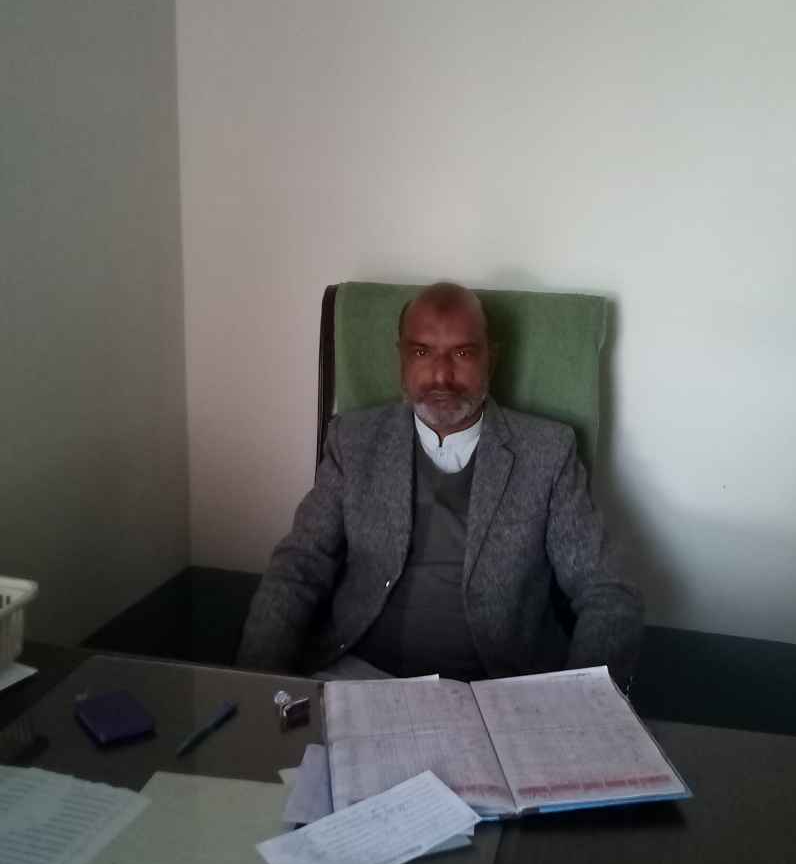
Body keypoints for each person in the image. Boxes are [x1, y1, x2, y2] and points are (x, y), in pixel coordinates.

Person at [237, 282, 643, 690]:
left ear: (492, 358)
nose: (441, 376)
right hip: (360, 677)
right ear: (400, 357)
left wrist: (579, 704)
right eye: (421, 352)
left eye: (463, 353)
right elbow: (299, 567)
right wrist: (253, 684)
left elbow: (607, 591)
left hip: (498, 691)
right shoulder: (354, 442)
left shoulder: (547, 452)